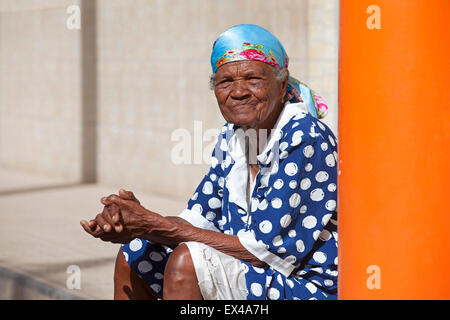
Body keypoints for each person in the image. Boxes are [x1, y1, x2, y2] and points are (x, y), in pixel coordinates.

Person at [80, 24, 338, 300]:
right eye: (225, 81)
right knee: (136, 252)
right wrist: (133, 223)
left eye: (253, 79)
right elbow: (200, 218)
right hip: (262, 277)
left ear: (282, 82)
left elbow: (264, 253)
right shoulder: (234, 136)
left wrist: (154, 224)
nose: (238, 92)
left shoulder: (304, 135)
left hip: (307, 286)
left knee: (187, 265)